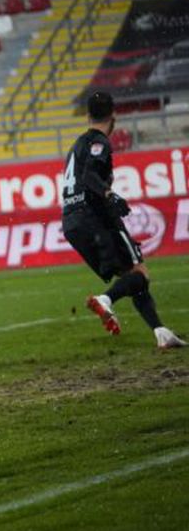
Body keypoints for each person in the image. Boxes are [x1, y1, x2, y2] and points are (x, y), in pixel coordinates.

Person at [62, 91, 184, 348]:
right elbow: (89, 176)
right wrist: (109, 193)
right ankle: (105, 300)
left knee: (132, 276)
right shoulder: (99, 142)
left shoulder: (76, 146)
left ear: (87, 115)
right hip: (95, 218)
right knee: (140, 272)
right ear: (113, 116)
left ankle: (160, 331)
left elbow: (80, 178)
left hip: (72, 223)